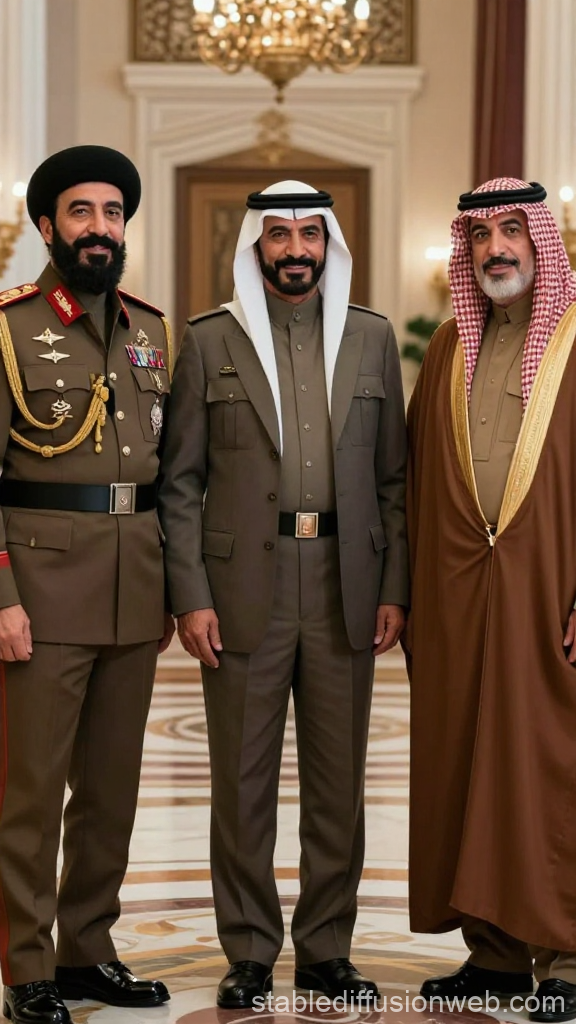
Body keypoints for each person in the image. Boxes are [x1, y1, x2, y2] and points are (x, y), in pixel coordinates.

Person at [158, 180, 409, 1009]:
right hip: (240, 593)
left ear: (326, 244)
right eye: (279, 236)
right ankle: (251, 950)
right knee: (241, 782)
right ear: (256, 246)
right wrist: (190, 596)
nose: (295, 249)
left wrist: (395, 588)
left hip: (347, 585)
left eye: (309, 235)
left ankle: (328, 949)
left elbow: (395, 481)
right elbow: (180, 482)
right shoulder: (206, 341)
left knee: (339, 785)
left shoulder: (372, 340)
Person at [0, 145, 174, 1024]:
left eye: (113, 213)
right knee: (29, 795)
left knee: (111, 790)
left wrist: (178, 589)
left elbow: (173, 475)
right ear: (47, 227)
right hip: (39, 586)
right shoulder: (7, 326)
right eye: (81, 212)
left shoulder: (152, 330)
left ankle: (86, 951)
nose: (100, 228)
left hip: (133, 588)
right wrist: (0, 599)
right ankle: (26, 967)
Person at [406, 177, 576, 1024]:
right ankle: (498, 955)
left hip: (554, 599)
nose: (496, 250)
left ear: (544, 242)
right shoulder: (446, 348)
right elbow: (416, 481)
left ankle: (573, 956)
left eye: (514, 232)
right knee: (473, 767)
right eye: (481, 237)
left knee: (554, 768)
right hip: (460, 602)